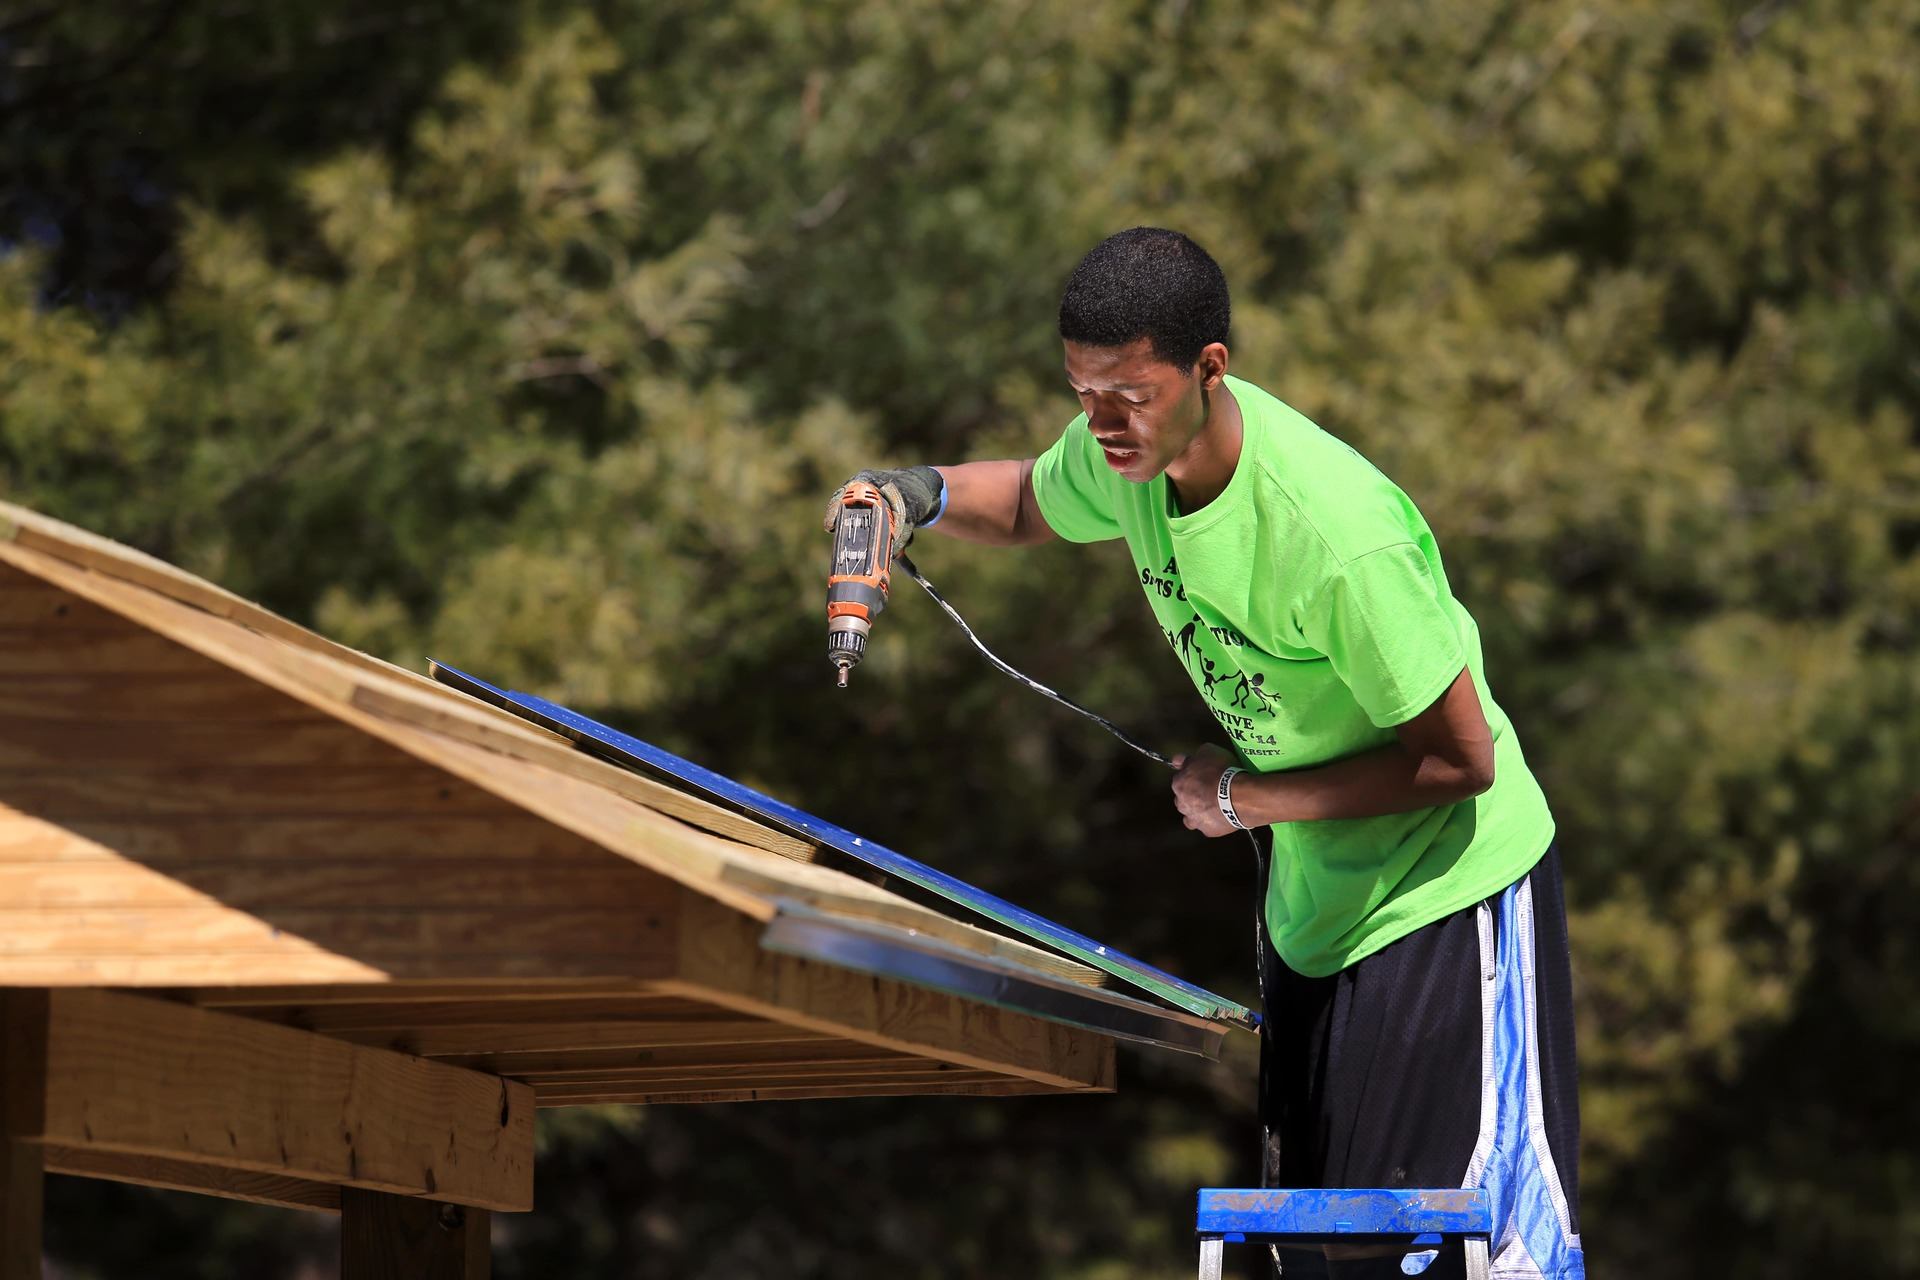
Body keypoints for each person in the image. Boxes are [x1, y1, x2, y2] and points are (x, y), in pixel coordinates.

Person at [827, 228, 1583, 1279]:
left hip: (1450, 900)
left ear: (1209, 369)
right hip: (1321, 914)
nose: (1100, 424)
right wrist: (912, 493)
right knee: (1320, 1255)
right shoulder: (1125, 459)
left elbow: (1463, 758)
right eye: (1082, 392)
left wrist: (1244, 794)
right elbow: (1034, 502)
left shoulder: (1331, 532)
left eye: (1126, 396)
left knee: (1438, 1257)